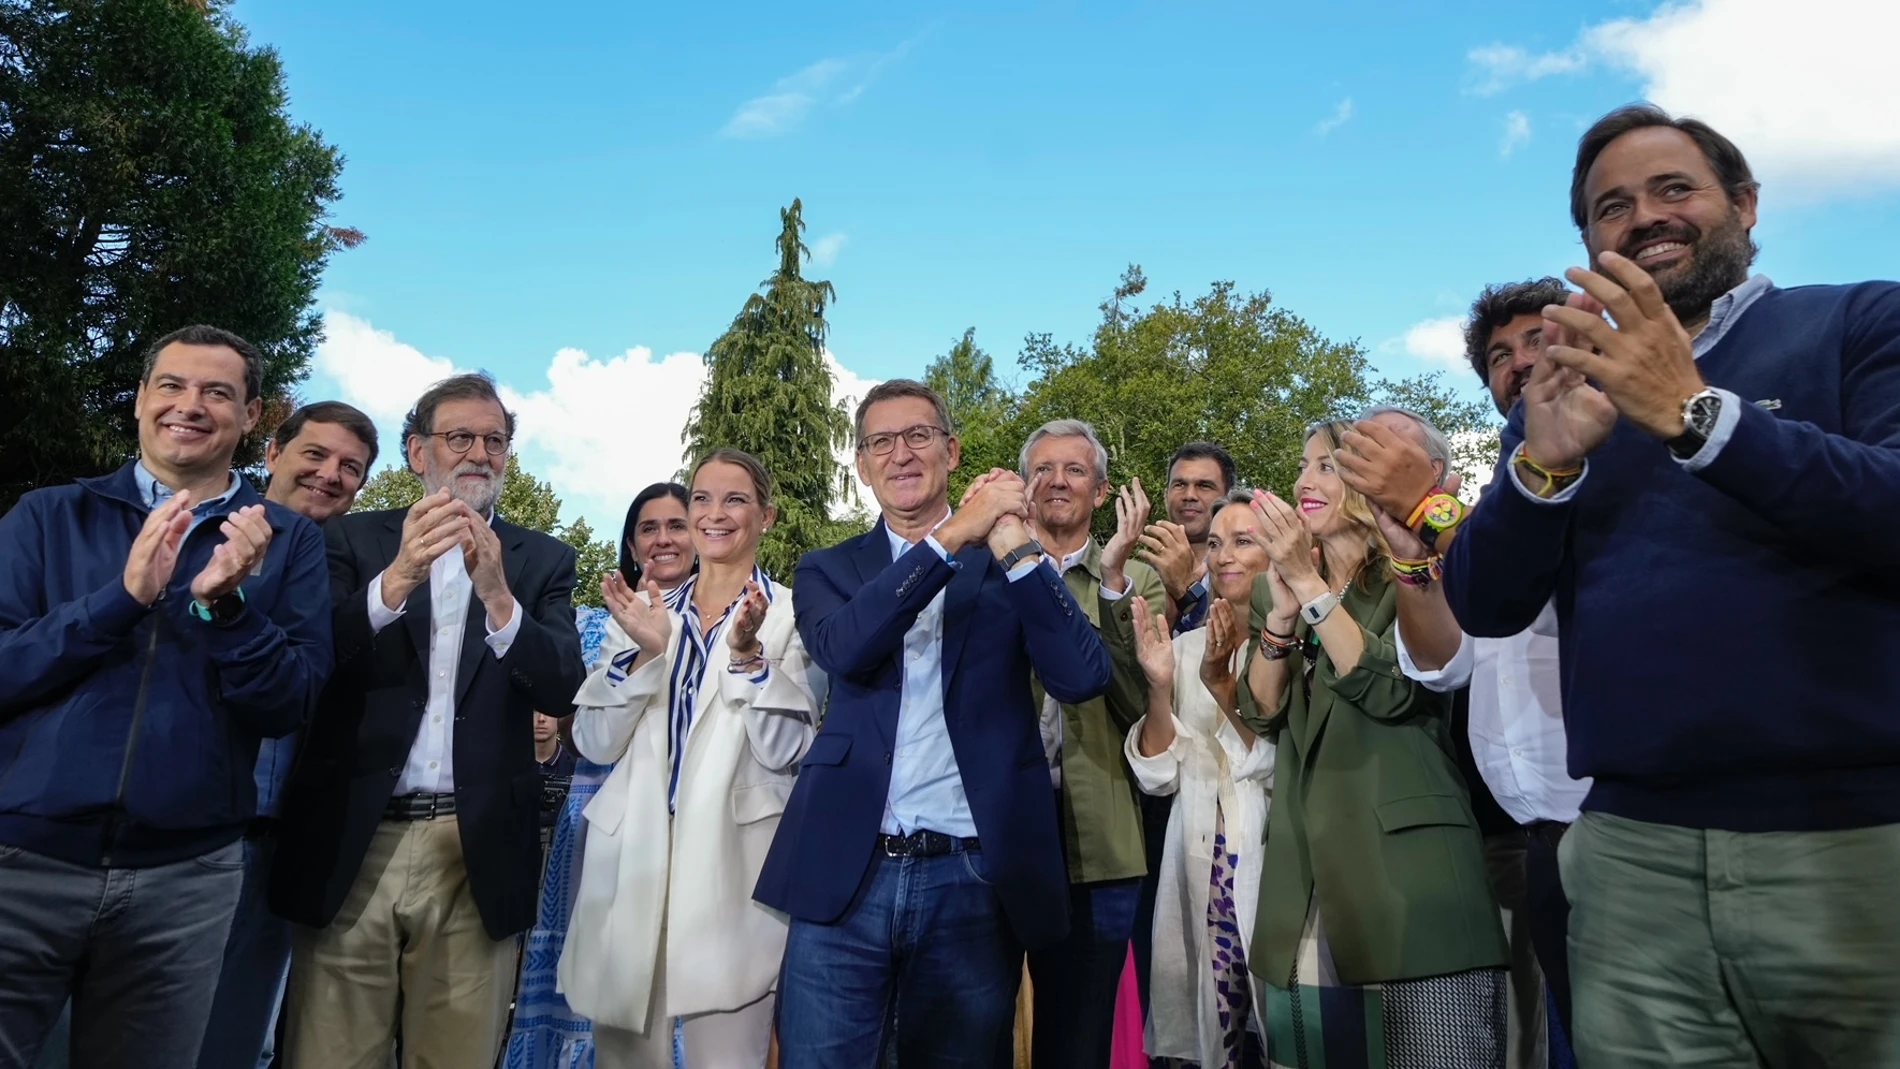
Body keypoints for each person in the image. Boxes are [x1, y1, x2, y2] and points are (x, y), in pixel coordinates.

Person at [1443, 103, 1900, 1065]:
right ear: (1591, 243)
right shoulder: (1565, 388)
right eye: (1613, 207)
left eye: (1674, 189)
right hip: (1631, 853)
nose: (1646, 216)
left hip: (1854, 841)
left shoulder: (1859, 319)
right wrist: (1543, 470)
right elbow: (1483, 603)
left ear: (1743, 204)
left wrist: (1696, 416)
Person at [0, 324, 334, 1069]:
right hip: (22, 860)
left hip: (186, 879)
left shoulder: (285, 541)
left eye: (218, 391)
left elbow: (289, 703)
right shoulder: (51, 515)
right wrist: (119, 601)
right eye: (173, 385)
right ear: (142, 399)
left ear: (252, 418)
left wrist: (226, 608)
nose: (191, 405)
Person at [759, 379, 1112, 1066]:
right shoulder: (828, 568)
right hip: (846, 873)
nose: (901, 453)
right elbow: (846, 649)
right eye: (880, 442)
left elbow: (1081, 675)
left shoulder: (1006, 561)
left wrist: (1011, 538)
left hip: (973, 877)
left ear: (950, 451)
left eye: (919, 435)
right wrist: (953, 534)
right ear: (861, 465)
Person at [270, 372, 587, 1069]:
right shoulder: (348, 540)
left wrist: (500, 595)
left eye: (495, 440)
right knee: (329, 1054)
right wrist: (400, 577)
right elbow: (311, 657)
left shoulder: (543, 560)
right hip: (356, 840)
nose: (479, 452)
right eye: (459, 436)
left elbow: (564, 683)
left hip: (474, 851)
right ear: (418, 452)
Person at [1336, 291, 1588, 1057]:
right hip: (1543, 839)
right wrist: (1416, 562)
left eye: (1537, 344)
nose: (1519, 365)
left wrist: (1429, 507)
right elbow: (1445, 661)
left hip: (1621, 822)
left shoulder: (1615, 475)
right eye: (1499, 358)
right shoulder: (1482, 513)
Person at [1239, 421, 1508, 1067]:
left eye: (1329, 465)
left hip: (1412, 887)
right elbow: (1262, 711)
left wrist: (1309, 588)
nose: (1306, 480)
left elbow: (1393, 691)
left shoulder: (1422, 575)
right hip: (1302, 888)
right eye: (1304, 465)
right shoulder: (1275, 584)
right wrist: (1280, 616)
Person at [560, 449, 821, 1067]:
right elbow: (595, 743)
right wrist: (647, 656)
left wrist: (749, 658)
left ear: (767, 516)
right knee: (625, 1056)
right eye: (702, 498)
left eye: (735, 500)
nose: (714, 514)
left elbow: (786, 751)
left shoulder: (791, 617)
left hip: (736, 867)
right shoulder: (644, 613)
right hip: (634, 865)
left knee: (726, 1058)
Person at [191, 400, 380, 1069]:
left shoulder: (361, 565)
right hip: (191, 825)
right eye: (315, 455)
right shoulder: (206, 529)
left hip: (285, 834)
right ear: (272, 452)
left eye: (350, 467)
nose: (331, 475)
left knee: (237, 1029)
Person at [504, 482, 695, 1069]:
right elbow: (573, 729)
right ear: (632, 546)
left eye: (676, 525)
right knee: (587, 985)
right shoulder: (592, 622)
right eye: (648, 528)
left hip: (685, 822)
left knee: (669, 994)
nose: (662, 538)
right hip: (596, 816)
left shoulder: (733, 615)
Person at [1016, 420, 1166, 1069]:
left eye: (1073, 469)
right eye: (1042, 469)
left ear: (1102, 491)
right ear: (1024, 488)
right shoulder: (990, 573)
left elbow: (1140, 704)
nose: (1056, 480)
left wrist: (1109, 587)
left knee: (1078, 1037)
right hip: (1000, 835)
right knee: (981, 1023)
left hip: (1100, 842)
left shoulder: (1138, 580)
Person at [1124, 488, 1274, 1067]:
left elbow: (1271, 760)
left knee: (1276, 1027)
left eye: (1243, 541)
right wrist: (1160, 686)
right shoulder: (1182, 648)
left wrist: (1224, 690)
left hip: (1270, 855)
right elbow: (1158, 773)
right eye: (1215, 543)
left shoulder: (1294, 645)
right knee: (1212, 1031)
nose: (1224, 556)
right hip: (1196, 862)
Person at [1151, 442, 1237, 635]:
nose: (1189, 495)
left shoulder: (1250, 569)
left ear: (1228, 497)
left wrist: (1188, 594)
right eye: (1180, 485)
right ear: (1166, 496)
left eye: (1204, 486)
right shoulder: (1140, 578)